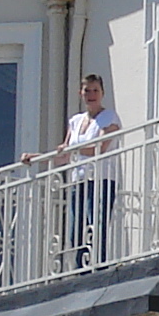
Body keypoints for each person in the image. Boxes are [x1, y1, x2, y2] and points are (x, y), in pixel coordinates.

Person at [64, 73, 120, 265]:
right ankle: (81, 269)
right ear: (81, 93)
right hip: (78, 180)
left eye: (95, 90)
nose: (91, 94)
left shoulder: (109, 117)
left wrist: (72, 149)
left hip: (101, 179)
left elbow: (99, 148)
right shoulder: (75, 121)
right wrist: (35, 157)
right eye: (87, 90)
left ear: (102, 93)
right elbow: (63, 153)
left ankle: (97, 267)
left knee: (96, 226)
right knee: (76, 231)